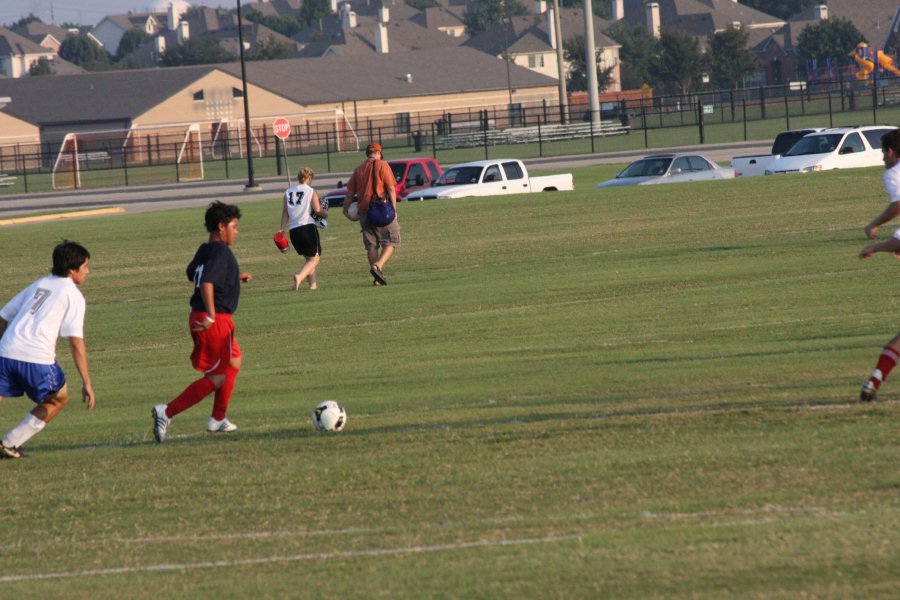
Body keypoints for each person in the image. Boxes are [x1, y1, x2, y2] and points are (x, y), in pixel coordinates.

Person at [153, 201, 252, 442]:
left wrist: (233, 277)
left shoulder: (205, 249)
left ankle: (218, 418)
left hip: (205, 316)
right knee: (216, 378)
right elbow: (206, 282)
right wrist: (210, 315)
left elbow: (194, 274)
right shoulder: (221, 251)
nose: (236, 232)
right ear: (221, 226)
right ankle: (166, 411)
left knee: (235, 361)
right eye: (234, 226)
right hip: (214, 319)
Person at [0, 241, 95, 459]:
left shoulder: (39, 284)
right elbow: (75, 342)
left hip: (6, 351)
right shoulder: (73, 295)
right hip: (37, 358)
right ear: (72, 270)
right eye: (85, 266)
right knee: (58, 398)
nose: (88, 271)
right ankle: (10, 442)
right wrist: (87, 382)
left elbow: (3, 316)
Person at [858, 128, 900, 401]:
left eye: (882, 153)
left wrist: (874, 233)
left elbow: (898, 205)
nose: (882, 160)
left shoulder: (893, 173)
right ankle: (875, 379)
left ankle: (876, 378)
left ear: (890, 152)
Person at [343, 142, 399, 286]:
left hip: (364, 212)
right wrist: (394, 209)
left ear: (367, 153)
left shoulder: (358, 170)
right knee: (392, 240)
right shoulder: (383, 165)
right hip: (382, 210)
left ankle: (377, 279)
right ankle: (378, 266)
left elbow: (349, 194)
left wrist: (346, 211)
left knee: (372, 246)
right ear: (379, 153)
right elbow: (391, 189)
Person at [280, 167, 328, 291]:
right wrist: (325, 214)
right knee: (315, 258)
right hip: (307, 228)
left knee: (309, 258)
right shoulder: (311, 191)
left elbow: (285, 212)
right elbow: (317, 209)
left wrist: (281, 230)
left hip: (293, 230)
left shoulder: (288, 192)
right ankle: (299, 277)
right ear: (310, 178)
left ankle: (313, 285)